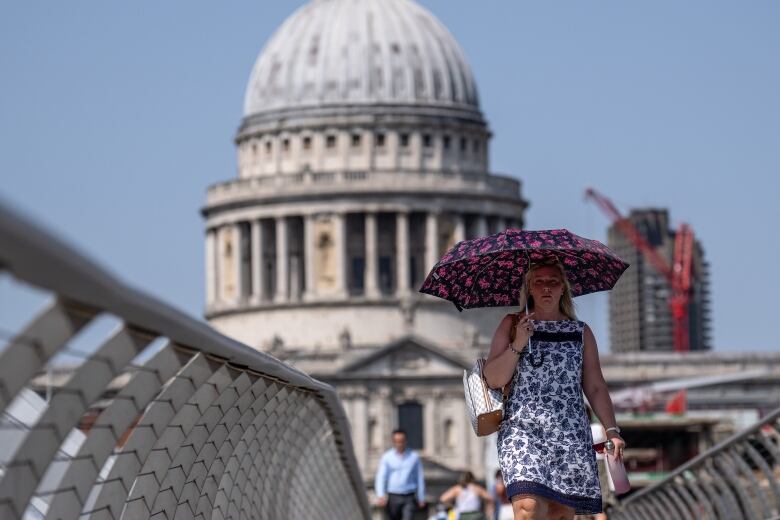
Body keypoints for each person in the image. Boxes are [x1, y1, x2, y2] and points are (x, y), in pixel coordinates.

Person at [482, 259, 626, 520]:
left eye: (553, 282)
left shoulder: (580, 332)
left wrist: (612, 431)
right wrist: (518, 343)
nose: (546, 288)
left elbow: (594, 386)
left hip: (568, 433)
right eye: (539, 282)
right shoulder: (512, 324)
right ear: (529, 288)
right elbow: (493, 379)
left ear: (563, 289)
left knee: (560, 513)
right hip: (523, 431)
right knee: (528, 507)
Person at [375, 429, 427, 520]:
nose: (399, 444)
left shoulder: (414, 457)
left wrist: (421, 497)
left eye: (401, 441)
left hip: (409, 495)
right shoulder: (387, 457)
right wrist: (381, 495)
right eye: (397, 441)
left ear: (405, 441)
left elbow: (419, 477)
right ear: (393, 442)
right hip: (393, 495)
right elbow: (381, 477)